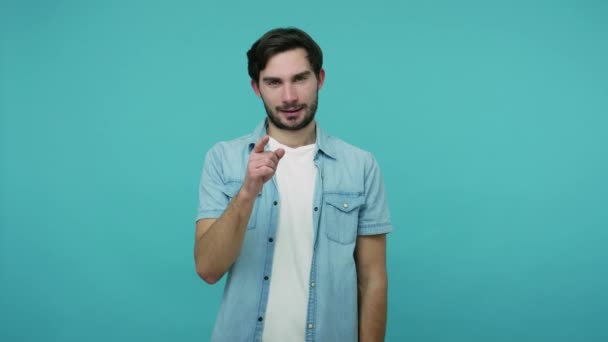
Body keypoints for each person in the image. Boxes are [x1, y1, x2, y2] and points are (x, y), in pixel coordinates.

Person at [194, 27, 392, 342]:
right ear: (256, 88)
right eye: (274, 82)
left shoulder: (360, 166)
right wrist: (247, 192)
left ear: (320, 79)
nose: (289, 97)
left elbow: (372, 280)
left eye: (300, 79)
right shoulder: (223, 159)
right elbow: (208, 269)